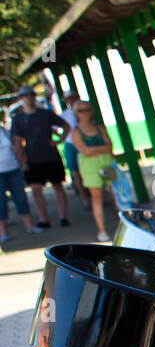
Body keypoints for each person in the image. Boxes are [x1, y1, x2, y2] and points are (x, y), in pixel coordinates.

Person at [10, 85, 70, 228]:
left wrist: (59, 139)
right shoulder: (18, 119)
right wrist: (21, 161)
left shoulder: (45, 113)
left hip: (51, 156)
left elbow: (65, 126)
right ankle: (44, 219)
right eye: (25, 96)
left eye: (31, 95)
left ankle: (63, 217)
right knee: (36, 189)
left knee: (58, 186)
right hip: (32, 159)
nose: (29, 98)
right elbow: (17, 142)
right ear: (21, 98)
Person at [66, 102, 117, 241]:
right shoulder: (75, 132)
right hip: (90, 167)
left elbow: (109, 147)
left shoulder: (99, 128)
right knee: (97, 197)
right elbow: (84, 151)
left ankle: (125, 223)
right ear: (76, 113)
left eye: (87, 110)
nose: (85, 113)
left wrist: (94, 150)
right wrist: (100, 148)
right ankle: (102, 230)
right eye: (81, 110)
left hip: (107, 163)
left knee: (116, 194)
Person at [0, 115, 42, 242]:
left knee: (21, 197)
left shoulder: (4, 130)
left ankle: (30, 226)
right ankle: (3, 233)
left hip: (13, 169)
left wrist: (21, 163)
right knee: (0, 202)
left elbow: (16, 147)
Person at [59, 92, 90, 207]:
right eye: (69, 99)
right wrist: (61, 138)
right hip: (71, 145)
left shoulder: (85, 112)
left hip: (86, 144)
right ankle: (84, 199)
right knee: (76, 173)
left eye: (73, 98)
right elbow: (53, 127)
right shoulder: (64, 115)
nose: (71, 101)